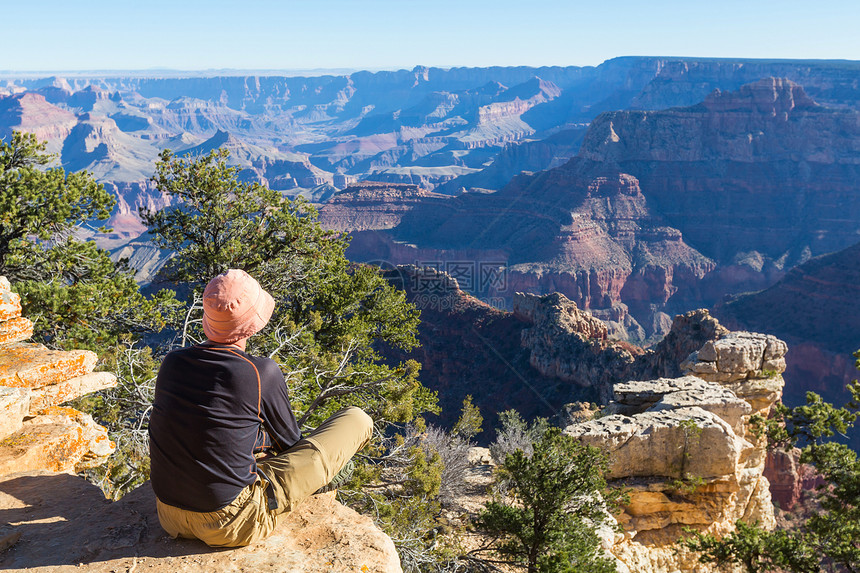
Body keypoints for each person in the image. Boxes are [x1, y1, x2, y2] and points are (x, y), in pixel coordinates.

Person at [149, 269, 373, 547]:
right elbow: (290, 445)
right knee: (357, 419)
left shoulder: (172, 361)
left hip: (169, 516)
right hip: (231, 523)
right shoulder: (259, 371)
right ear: (253, 322)